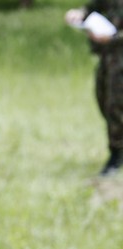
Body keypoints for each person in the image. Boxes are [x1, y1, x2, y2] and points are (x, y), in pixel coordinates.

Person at [66, 0, 123, 176]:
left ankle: (117, 153)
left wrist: (113, 38)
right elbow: (95, 7)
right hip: (109, 56)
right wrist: (80, 14)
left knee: (115, 104)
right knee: (103, 99)